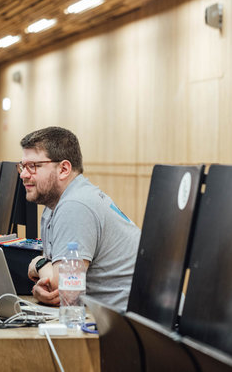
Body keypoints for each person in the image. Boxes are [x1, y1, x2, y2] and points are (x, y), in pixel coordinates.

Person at [20, 126, 141, 312]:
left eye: (33, 166)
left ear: (64, 169)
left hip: (130, 327)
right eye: (22, 166)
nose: (24, 174)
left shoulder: (75, 206)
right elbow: (55, 284)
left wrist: (38, 264)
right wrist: (46, 275)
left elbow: (64, 292)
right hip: (114, 319)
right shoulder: (57, 204)